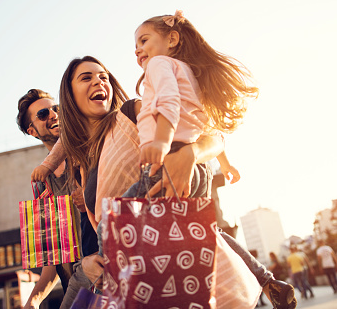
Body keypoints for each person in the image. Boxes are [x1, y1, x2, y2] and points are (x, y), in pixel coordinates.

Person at [44, 54, 295, 308]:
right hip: (131, 276)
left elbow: (212, 136)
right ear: (70, 95)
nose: (99, 82)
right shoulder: (85, 162)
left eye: (103, 77)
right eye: (86, 78)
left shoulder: (132, 113)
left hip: (172, 262)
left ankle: (266, 280)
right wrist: (88, 263)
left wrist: (192, 153)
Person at [16, 89, 98, 309]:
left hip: (106, 270)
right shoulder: (42, 185)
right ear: (32, 130)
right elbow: (53, 260)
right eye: (43, 114)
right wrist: (33, 301)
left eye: (56, 109)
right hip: (77, 285)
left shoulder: (90, 151)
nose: (53, 114)